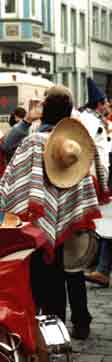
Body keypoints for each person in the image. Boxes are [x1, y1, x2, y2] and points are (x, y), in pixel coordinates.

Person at [0, 85, 108, 340]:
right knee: (73, 267)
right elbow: (95, 177)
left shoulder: (34, 141)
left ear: (45, 110)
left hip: (40, 217)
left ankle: (47, 326)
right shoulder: (77, 142)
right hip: (73, 215)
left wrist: (27, 119)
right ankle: (80, 322)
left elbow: (8, 154)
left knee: (45, 272)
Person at [81, 78, 112, 287]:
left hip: (99, 175)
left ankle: (99, 267)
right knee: (103, 222)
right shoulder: (92, 122)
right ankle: (98, 267)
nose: (107, 106)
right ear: (99, 104)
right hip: (95, 176)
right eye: (105, 103)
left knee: (104, 223)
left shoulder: (90, 118)